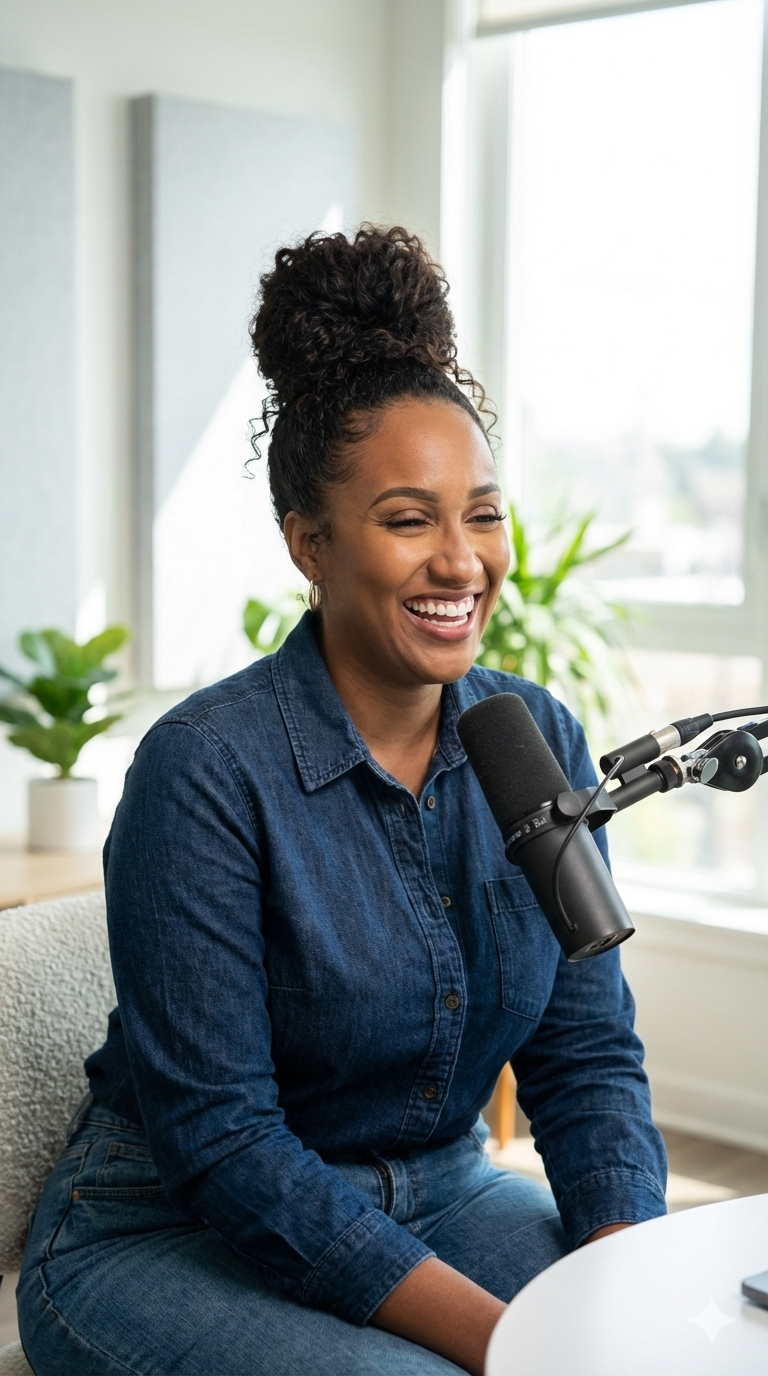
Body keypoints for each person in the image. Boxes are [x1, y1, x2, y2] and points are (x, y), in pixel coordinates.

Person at [17, 227, 667, 1376]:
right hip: (168, 1229)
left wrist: (625, 1298)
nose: (462, 560)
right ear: (309, 543)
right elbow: (226, 1147)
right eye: (410, 518)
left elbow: (586, 1055)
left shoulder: (537, 737)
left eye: (483, 512)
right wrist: (519, 1341)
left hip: (442, 1190)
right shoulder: (206, 771)